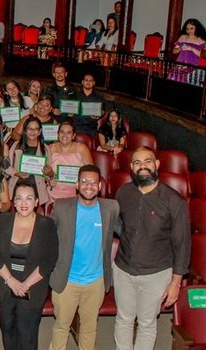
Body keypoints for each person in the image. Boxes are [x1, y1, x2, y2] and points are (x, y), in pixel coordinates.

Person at [113, 147, 191, 350]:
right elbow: (119, 225)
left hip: (156, 274)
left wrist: (175, 283)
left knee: (147, 324)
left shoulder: (174, 201)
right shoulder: (123, 193)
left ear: (157, 164)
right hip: (124, 270)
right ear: (131, 167)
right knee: (123, 319)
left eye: (147, 161)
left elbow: (182, 244)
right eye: (137, 163)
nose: (142, 167)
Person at [48, 165, 119, 350]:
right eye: (85, 181)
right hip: (67, 280)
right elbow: (47, 237)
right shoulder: (62, 207)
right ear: (77, 184)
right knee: (61, 327)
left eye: (93, 182)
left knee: (89, 328)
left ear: (100, 186)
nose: (89, 186)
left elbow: (124, 232)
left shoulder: (110, 208)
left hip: (95, 281)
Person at [0, 182, 58, 350]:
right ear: (13, 202)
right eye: (19, 198)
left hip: (32, 288)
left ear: (36, 202)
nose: (23, 203)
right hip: (5, 286)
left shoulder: (46, 224)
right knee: (8, 330)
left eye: (29, 198)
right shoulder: (3, 220)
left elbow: (49, 260)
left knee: (28, 333)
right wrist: (11, 280)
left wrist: (25, 285)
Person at [6, 116, 51, 207]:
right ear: (25, 130)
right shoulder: (16, 145)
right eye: (29, 129)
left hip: (37, 189)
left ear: (39, 131)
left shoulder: (45, 148)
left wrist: (49, 173)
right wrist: (16, 173)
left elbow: (48, 174)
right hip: (16, 186)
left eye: (36, 129)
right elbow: (6, 166)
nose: (32, 132)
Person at [46, 120, 94, 201]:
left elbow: (91, 172)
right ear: (57, 134)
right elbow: (45, 172)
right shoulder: (50, 148)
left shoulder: (82, 148)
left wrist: (81, 183)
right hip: (53, 193)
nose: (65, 135)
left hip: (76, 193)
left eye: (68, 132)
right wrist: (49, 180)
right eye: (62, 132)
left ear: (73, 135)